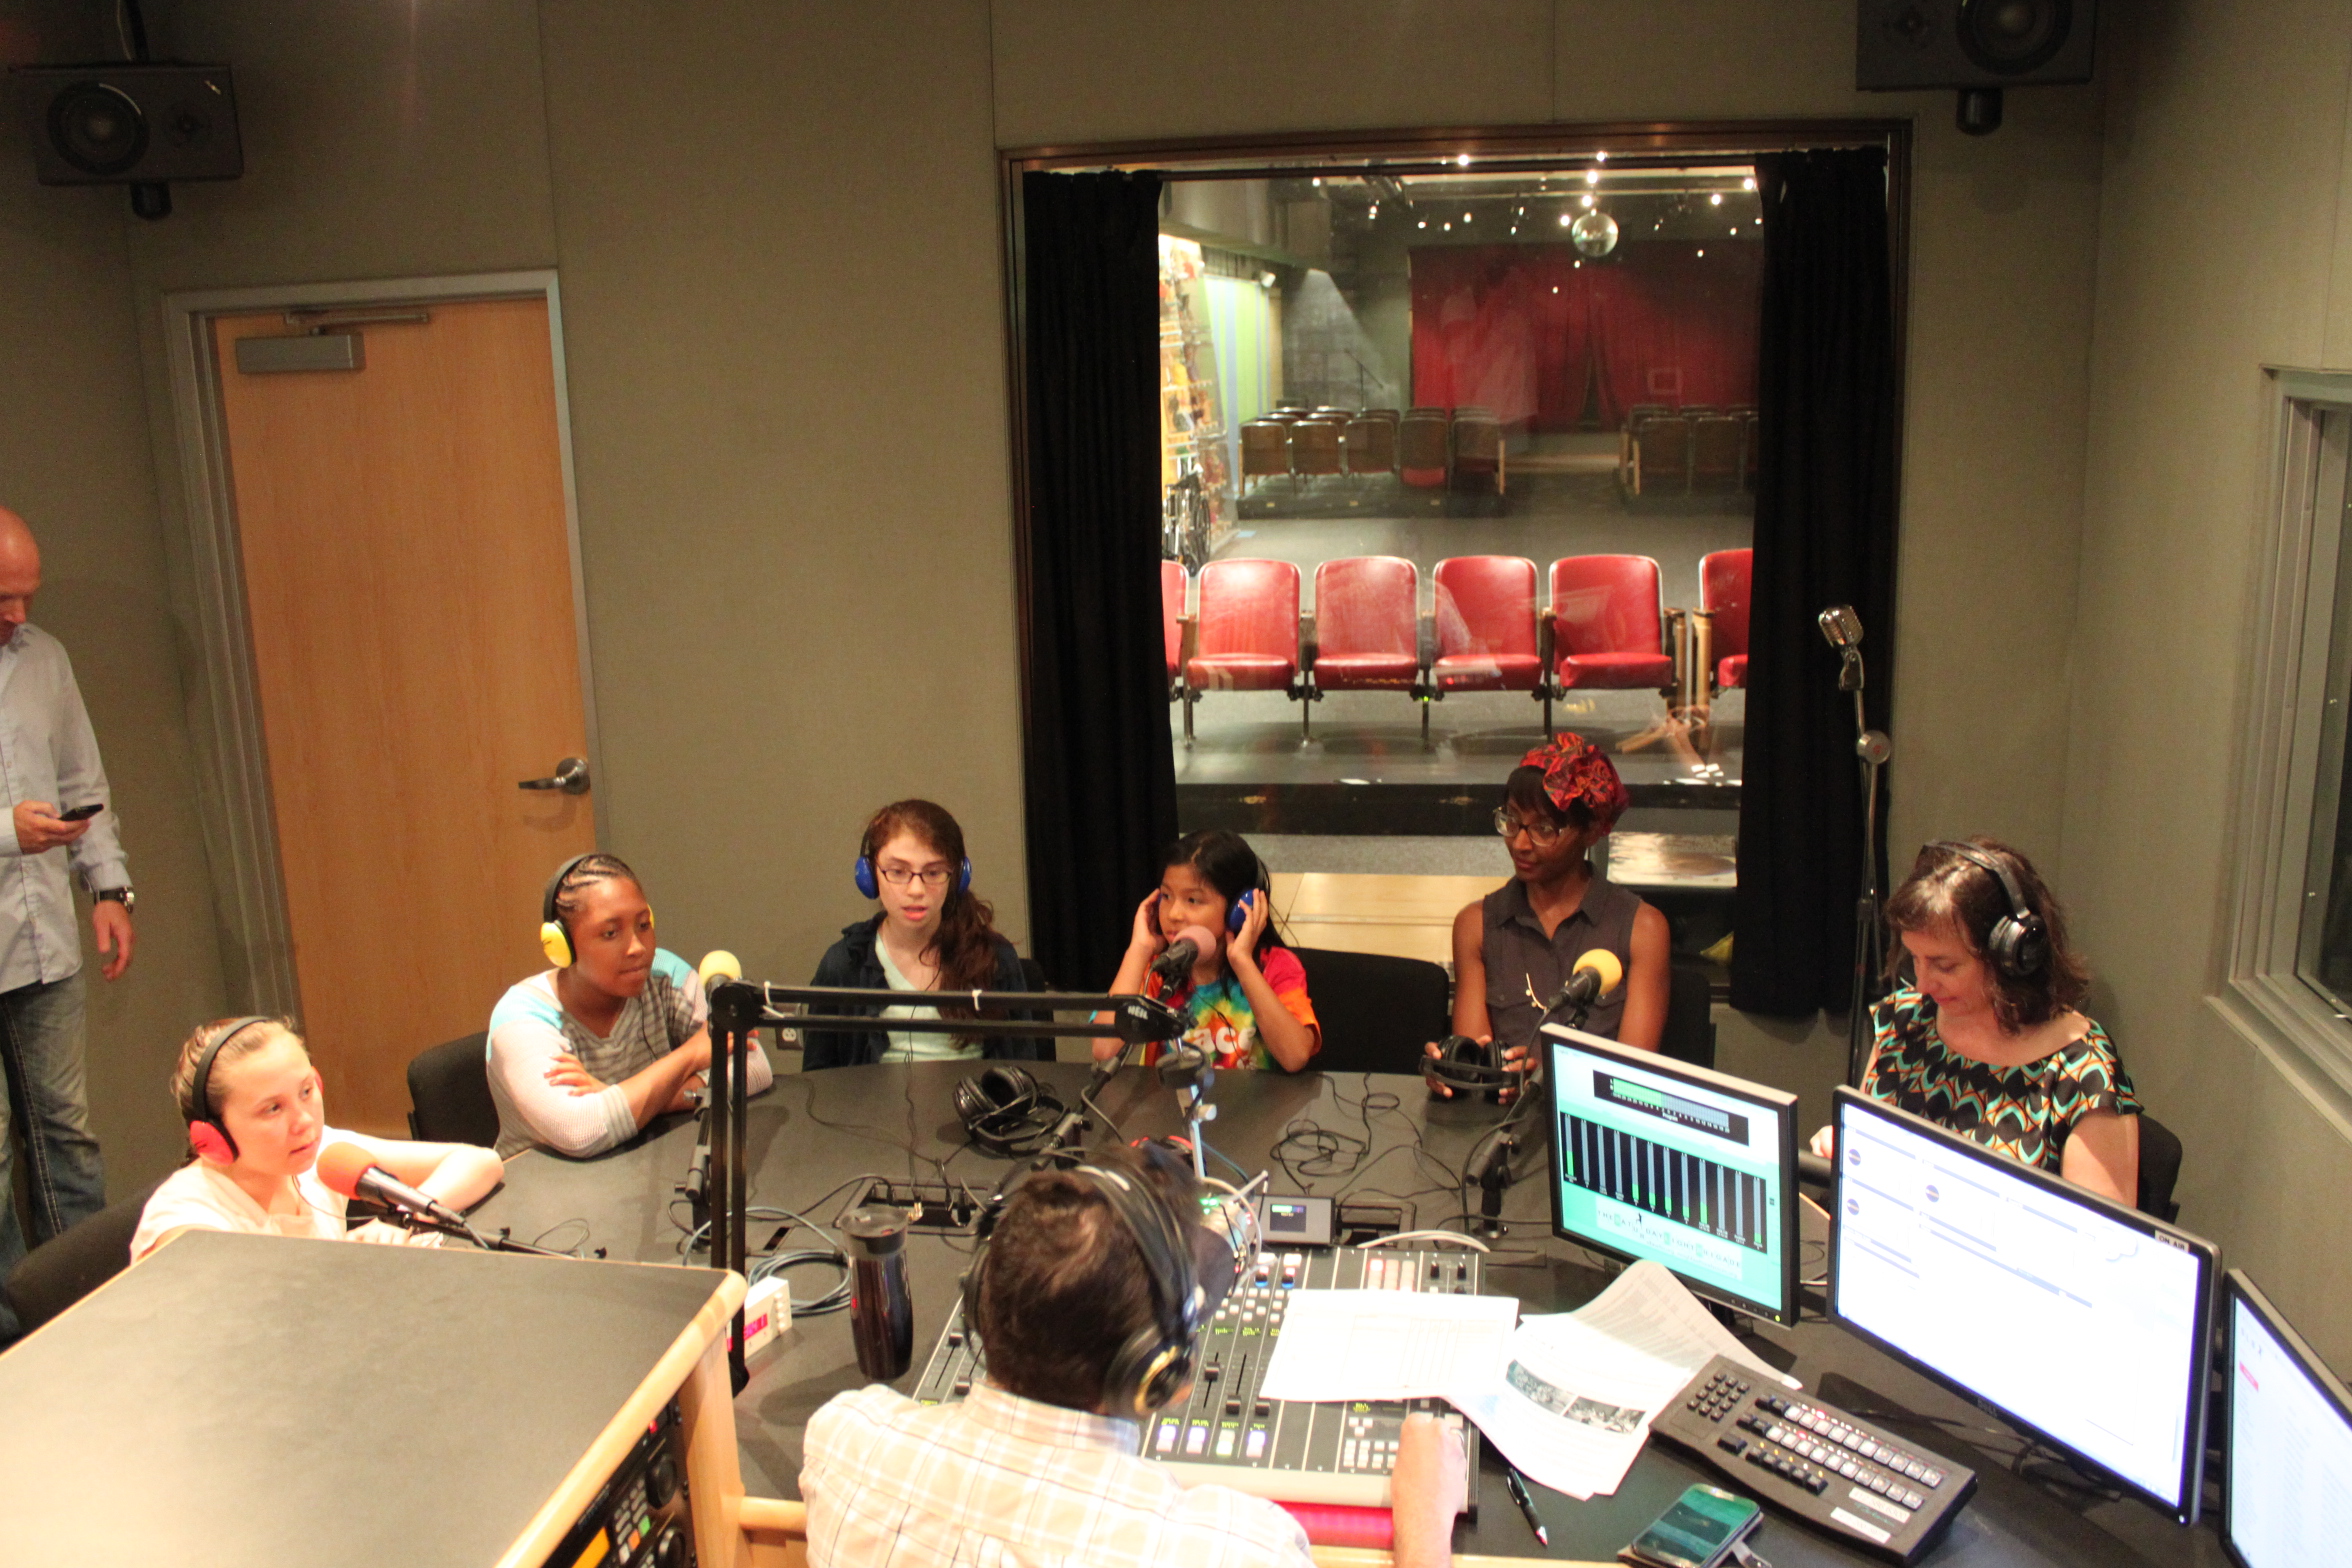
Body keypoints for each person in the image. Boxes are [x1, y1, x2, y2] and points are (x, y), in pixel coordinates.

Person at [800, 1143, 1468, 1568]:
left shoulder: (846, 1441)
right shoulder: (1236, 1551)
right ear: (1159, 1374)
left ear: (981, 1304)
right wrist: (1425, 1527)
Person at [1809, 838, 2140, 1205]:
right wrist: (1849, 1149)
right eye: (1915, 959)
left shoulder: (2083, 1074)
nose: (1922, 983)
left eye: (1944, 965)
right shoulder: (1906, 1018)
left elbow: (2099, 1250)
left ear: (2013, 955)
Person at [0, 506, 136, 1336]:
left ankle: (93, 1313)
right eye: (0, 599)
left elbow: (85, 777)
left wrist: (110, 887)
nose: (17, 615)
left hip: (46, 941)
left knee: (67, 1140)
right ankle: (15, 1346)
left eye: (26, 597)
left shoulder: (44, 659)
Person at [130, 1016, 502, 1262]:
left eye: (307, 1091)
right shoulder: (185, 1223)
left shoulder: (316, 1152)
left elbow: (479, 1163)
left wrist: (401, 1219)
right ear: (212, 1137)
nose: (304, 1121)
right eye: (272, 1109)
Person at [1426, 735, 1669, 1096]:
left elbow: (1632, 1084)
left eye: (1543, 830)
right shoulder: (1476, 925)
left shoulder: (1642, 929)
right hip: (1500, 1127)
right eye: (1511, 822)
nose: (1521, 843)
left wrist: (1544, 1084)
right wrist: (1452, 1070)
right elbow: (1476, 1063)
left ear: (1590, 832)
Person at [486, 852, 771, 1158]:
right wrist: (689, 1057)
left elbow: (754, 1069)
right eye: (611, 933)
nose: (637, 947)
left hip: (638, 1168)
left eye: (644, 925)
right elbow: (581, 1130)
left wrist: (613, 1096)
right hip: (539, 1192)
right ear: (562, 946)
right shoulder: (522, 1018)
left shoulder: (665, 975)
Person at [804, 800, 1047, 1069]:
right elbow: (821, 1083)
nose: (916, 889)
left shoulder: (994, 958)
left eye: (933, 872)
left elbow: (1022, 1075)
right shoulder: (844, 964)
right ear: (869, 876)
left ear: (956, 878)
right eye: (897, 871)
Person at [1100, 829, 1319, 1072]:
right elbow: (1104, 1049)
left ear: (1239, 906)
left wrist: (1242, 962)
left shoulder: (1275, 966)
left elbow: (1295, 1056)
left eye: (1192, 900)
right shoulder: (1158, 971)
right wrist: (1139, 950)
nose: (1173, 914)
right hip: (1174, 1107)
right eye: (1166, 896)